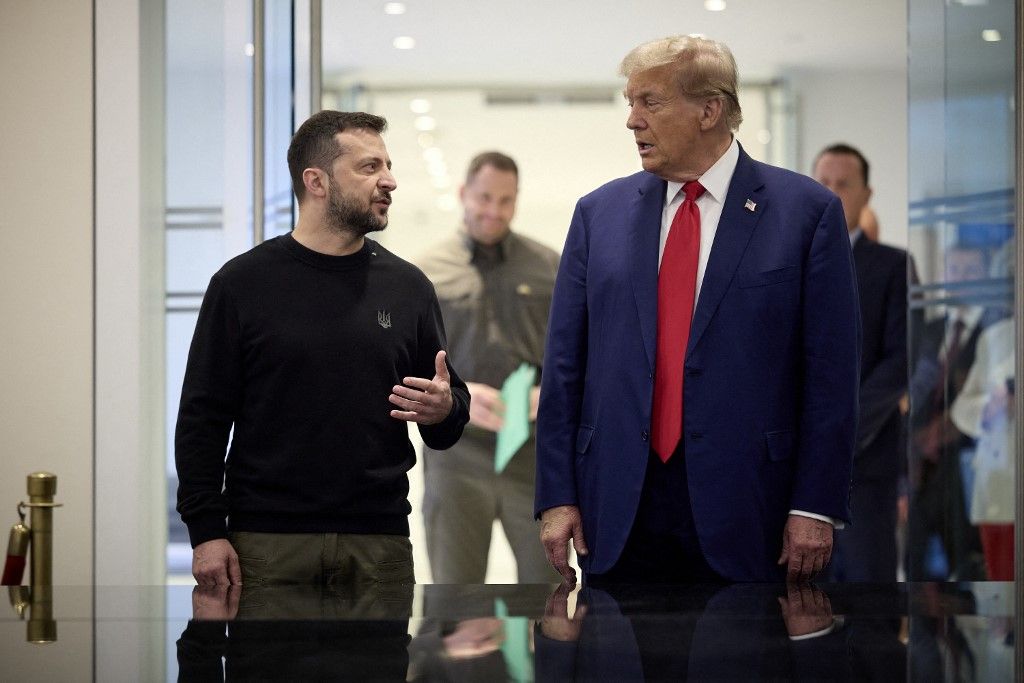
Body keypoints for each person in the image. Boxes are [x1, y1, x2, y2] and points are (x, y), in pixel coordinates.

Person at [535, 35, 860, 585]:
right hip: (617, 507)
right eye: (630, 103)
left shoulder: (806, 213)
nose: (632, 121)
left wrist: (815, 504)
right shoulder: (599, 214)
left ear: (710, 109)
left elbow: (831, 376)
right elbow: (564, 366)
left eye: (650, 102)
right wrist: (557, 496)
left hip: (754, 506)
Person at [175, 110, 470, 586]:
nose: (390, 180)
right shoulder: (242, 284)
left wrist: (444, 408)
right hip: (266, 544)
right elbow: (201, 419)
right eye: (369, 167)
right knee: (264, 665)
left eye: (388, 166)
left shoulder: (408, 287)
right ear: (316, 181)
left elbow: (447, 414)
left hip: (379, 544)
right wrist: (206, 532)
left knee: (378, 666)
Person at [416, 152, 561, 583]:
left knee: (547, 597)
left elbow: (579, 352)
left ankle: (543, 656)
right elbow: (407, 361)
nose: (493, 210)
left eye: (505, 200)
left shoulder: (549, 266)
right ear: (464, 194)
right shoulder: (426, 272)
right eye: (484, 198)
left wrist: (548, 394)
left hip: (535, 453)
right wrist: (459, 396)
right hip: (455, 450)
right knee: (455, 598)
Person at [813, 143, 908, 582]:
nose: (832, 194)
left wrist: (844, 426)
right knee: (797, 607)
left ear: (866, 194)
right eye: (822, 184)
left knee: (869, 600)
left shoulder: (892, 266)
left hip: (864, 468)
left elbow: (901, 359)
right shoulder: (786, 265)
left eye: (843, 185)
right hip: (796, 471)